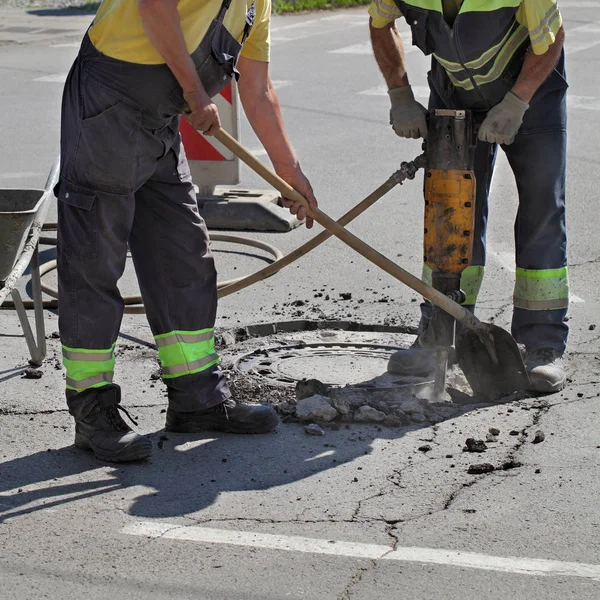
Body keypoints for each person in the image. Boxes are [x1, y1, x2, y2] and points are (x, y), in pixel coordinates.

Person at [57, 0, 318, 462]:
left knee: (183, 256)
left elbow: (256, 88)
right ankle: (93, 408)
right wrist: (197, 97)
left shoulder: (257, 5)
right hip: (108, 102)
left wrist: (287, 170)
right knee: (96, 260)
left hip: (160, 116)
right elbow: (155, 8)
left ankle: (197, 399)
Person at [368, 0, 568, 393]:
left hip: (534, 96)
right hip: (454, 92)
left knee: (541, 208)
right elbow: (380, 25)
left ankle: (541, 345)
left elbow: (551, 38)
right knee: (450, 209)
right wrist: (399, 93)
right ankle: (441, 332)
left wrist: (517, 101)